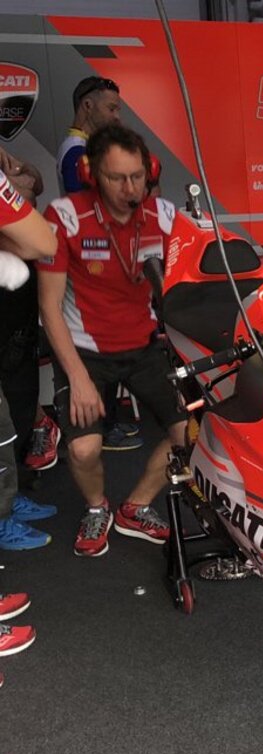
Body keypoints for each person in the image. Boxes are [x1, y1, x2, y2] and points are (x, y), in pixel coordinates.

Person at [37, 124, 188, 558]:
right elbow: (49, 307)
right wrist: (78, 378)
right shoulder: (64, 216)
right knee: (84, 449)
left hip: (143, 346)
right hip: (84, 352)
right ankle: (97, 507)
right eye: (116, 178)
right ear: (91, 174)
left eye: (137, 176)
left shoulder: (163, 216)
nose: (130, 189)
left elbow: (192, 279)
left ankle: (135, 507)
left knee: (192, 434)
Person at [56, 75, 141, 455]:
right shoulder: (76, 151)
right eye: (112, 108)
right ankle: (100, 427)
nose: (117, 116)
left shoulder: (87, 149)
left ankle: (106, 421)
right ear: (87, 106)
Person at [0, 152, 57, 552]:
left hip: (14, 320)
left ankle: (8, 499)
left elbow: (31, 182)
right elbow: (40, 239)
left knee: (15, 414)